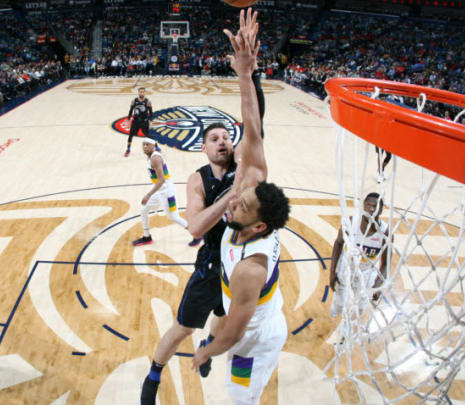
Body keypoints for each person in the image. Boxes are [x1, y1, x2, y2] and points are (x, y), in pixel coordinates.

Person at [140, 17, 269, 405]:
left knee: (224, 319)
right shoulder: (198, 180)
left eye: (227, 137)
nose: (224, 142)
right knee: (181, 327)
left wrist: (249, 76)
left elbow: (255, 127)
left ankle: (210, 344)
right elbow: (195, 226)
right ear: (203, 147)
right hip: (212, 262)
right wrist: (227, 198)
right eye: (215, 139)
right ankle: (154, 374)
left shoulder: (243, 167)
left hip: (240, 266)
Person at [191, 10, 290, 404]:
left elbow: (233, 333)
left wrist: (204, 352)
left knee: (238, 397)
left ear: (258, 227)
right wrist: (246, 74)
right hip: (241, 312)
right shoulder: (252, 189)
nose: (233, 203)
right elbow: (252, 126)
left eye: (240, 206)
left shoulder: (252, 267)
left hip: (255, 336)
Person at [329, 192, 390, 320]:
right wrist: (332, 272)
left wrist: (378, 285)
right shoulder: (351, 223)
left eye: (376, 206)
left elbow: (386, 263)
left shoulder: (385, 232)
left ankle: (345, 334)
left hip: (367, 273)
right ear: (364, 205)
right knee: (338, 305)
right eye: (369, 205)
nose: (372, 209)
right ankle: (333, 320)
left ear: (381, 210)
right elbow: (338, 243)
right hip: (346, 267)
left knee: (359, 309)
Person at [132, 138, 200, 247]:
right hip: (159, 191)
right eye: (143, 145)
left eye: (147, 145)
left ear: (153, 145)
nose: (145, 147)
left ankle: (197, 234)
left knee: (174, 217)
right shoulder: (152, 156)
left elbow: (162, 180)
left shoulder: (155, 159)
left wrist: (148, 195)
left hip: (167, 192)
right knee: (144, 210)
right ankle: (147, 237)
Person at [125, 87, 152, 157]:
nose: (141, 93)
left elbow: (151, 113)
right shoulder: (134, 101)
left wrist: (150, 122)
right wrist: (128, 120)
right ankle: (128, 149)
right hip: (135, 121)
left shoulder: (148, 101)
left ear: (145, 93)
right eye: (140, 92)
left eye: (143, 92)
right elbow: (130, 111)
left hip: (144, 122)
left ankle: (156, 147)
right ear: (138, 92)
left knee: (148, 136)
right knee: (130, 135)